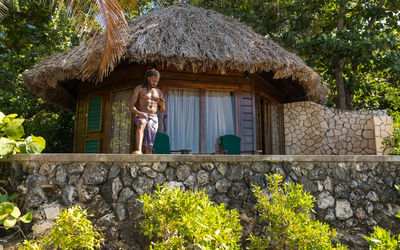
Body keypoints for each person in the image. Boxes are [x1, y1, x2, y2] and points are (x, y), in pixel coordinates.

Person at [130, 69, 165, 154]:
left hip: (153, 116)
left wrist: (162, 105)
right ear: (148, 78)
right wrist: (138, 112)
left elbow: (162, 110)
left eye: (157, 81)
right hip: (142, 114)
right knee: (141, 123)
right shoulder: (139, 89)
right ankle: (139, 150)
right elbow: (132, 105)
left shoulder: (159, 92)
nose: (155, 83)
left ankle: (148, 156)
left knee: (150, 139)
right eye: (154, 81)